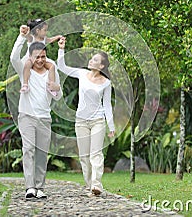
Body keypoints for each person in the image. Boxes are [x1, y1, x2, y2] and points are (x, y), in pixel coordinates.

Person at [10, 24, 63, 200]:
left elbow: (57, 96)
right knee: (29, 149)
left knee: (42, 152)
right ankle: (30, 187)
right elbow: (13, 57)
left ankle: (40, 187)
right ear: (30, 58)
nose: (40, 60)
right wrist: (21, 37)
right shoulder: (23, 70)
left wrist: (56, 88)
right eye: (37, 57)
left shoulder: (51, 69)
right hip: (27, 116)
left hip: (44, 118)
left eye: (43, 57)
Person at [57, 38, 115, 196]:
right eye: (92, 58)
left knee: (96, 153)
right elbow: (62, 67)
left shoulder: (106, 83)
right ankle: (90, 185)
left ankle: (97, 184)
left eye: (95, 59)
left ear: (102, 66)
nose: (91, 60)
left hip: (98, 121)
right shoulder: (82, 74)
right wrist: (61, 49)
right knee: (84, 156)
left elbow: (107, 105)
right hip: (81, 121)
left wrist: (111, 126)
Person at [20, 19, 63, 96]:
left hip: (40, 59)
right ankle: (25, 84)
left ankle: (51, 85)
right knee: (27, 65)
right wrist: (25, 31)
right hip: (31, 59)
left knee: (51, 66)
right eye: (45, 30)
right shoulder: (31, 38)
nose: (46, 32)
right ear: (37, 31)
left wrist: (58, 37)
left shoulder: (44, 39)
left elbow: (50, 40)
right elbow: (27, 36)